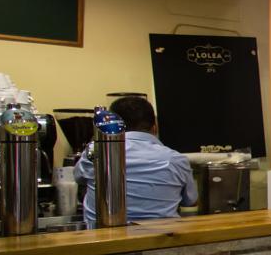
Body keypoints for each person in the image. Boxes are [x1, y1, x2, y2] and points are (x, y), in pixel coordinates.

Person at [74, 96, 197, 226]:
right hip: (161, 240)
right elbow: (190, 201)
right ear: (155, 127)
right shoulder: (176, 160)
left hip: (103, 240)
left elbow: (78, 178)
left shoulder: (97, 151)